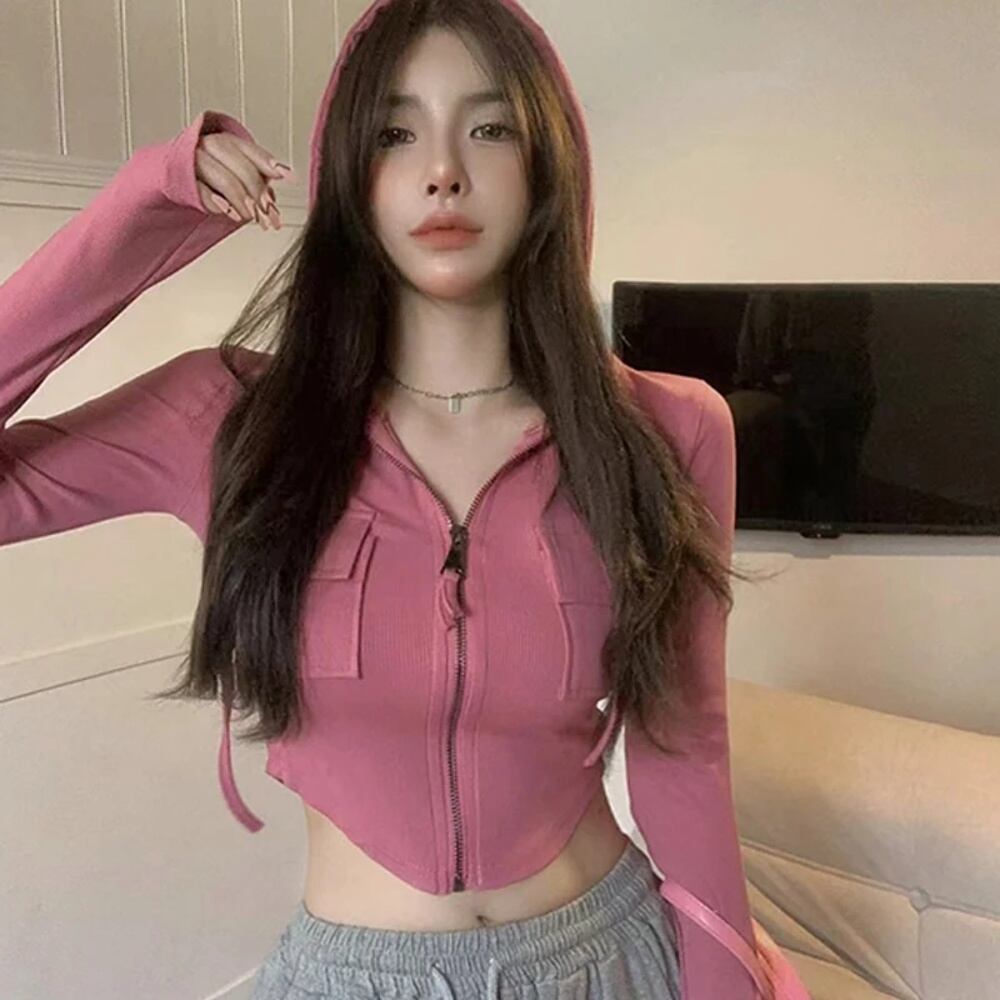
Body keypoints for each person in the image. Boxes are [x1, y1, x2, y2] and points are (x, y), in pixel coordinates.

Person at [0, 1, 767, 997]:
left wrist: (725, 983)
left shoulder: (668, 429)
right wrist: (143, 212)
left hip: (611, 956)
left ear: (549, 165)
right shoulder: (229, 417)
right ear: (347, 176)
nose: (442, 169)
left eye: (489, 128)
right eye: (396, 134)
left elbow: (685, 747)